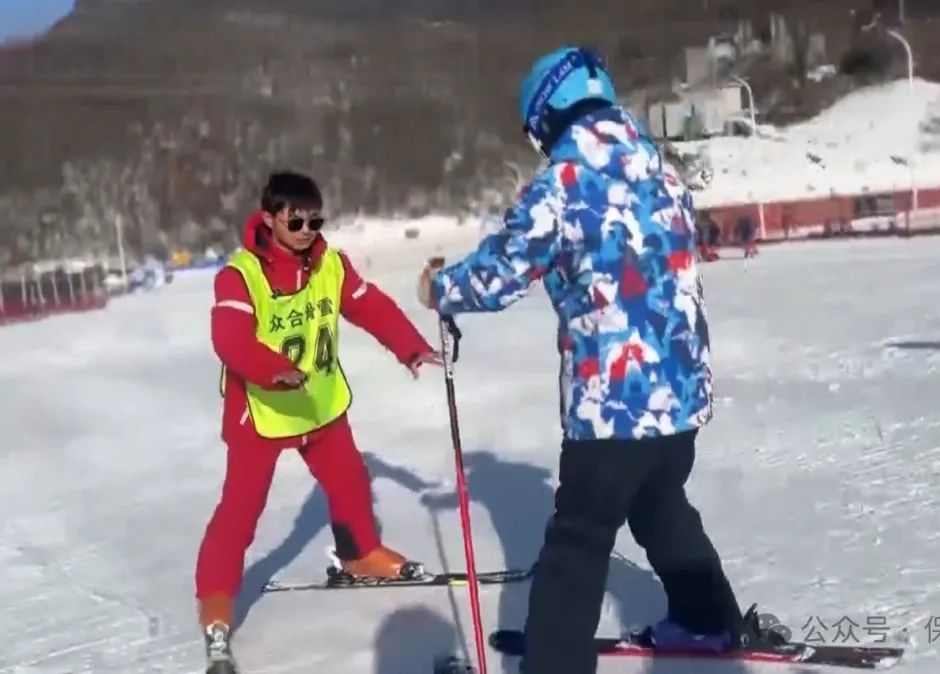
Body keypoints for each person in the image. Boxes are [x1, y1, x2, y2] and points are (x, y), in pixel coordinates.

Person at [415, 46, 772, 674]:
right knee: (659, 504)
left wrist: (440, 288)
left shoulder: (564, 184)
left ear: (546, 116)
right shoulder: (663, 176)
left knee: (577, 541)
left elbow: (504, 268)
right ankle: (705, 618)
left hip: (614, 403)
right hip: (680, 395)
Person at [197, 171, 441, 667]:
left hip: (318, 405)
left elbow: (369, 306)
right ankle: (216, 602)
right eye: (296, 221)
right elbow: (230, 338)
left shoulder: (330, 264)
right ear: (270, 219)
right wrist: (271, 369)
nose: (307, 229)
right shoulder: (240, 276)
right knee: (241, 511)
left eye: (315, 220)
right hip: (261, 413)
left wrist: (411, 347)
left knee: (350, 478)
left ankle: (360, 553)